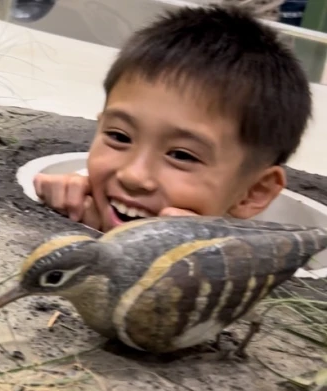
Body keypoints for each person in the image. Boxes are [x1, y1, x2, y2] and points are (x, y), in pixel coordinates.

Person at [33, 5, 312, 232]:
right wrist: (66, 205)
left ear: (253, 192)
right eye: (119, 137)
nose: (133, 176)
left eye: (181, 155)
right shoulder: (85, 201)